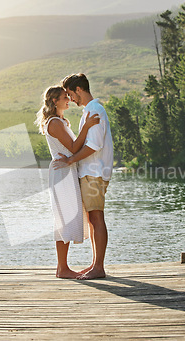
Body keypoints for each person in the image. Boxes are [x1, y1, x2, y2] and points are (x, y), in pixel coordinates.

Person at [35, 85, 100, 279]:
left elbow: (72, 149)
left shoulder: (61, 121)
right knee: (63, 219)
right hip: (62, 174)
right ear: (54, 101)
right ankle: (62, 269)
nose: (69, 100)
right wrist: (87, 126)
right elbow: (73, 147)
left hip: (67, 172)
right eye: (65, 97)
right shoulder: (54, 122)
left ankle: (63, 268)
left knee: (67, 217)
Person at [54, 73, 114, 280]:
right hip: (90, 172)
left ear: (79, 90)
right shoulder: (90, 111)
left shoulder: (95, 110)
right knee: (92, 219)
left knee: (97, 218)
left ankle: (99, 267)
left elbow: (93, 145)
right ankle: (95, 264)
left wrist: (70, 160)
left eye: (71, 94)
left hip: (94, 172)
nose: (70, 99)